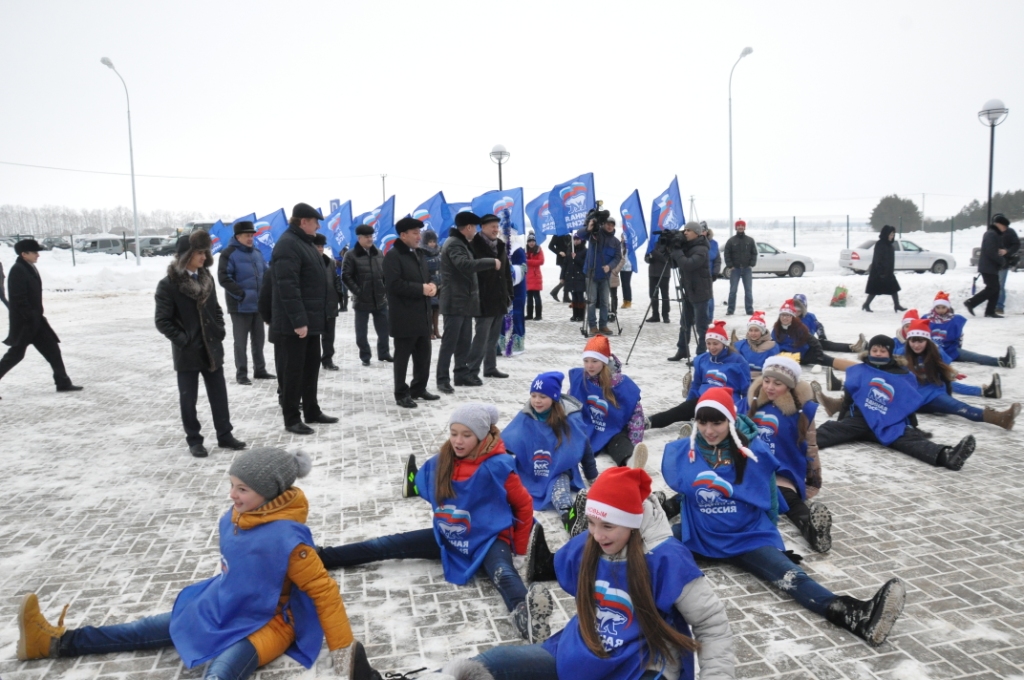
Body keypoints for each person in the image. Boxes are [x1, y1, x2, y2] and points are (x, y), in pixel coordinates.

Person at [15, 447, 376, 679]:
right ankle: (51, 643)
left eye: (242, 489)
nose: (232, 494)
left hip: (266, 624)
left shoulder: (289, 542)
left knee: (219, 674)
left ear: (271, 492)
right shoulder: (234, 517)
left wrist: (345, 653)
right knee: (141, 629)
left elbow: (324, 593)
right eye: (232, 485)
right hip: (220, 605)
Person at [660, 387, 906, 647]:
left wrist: (770, 535)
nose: (709, 430)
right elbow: (686, 490)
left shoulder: (752, 451)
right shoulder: (684, 451)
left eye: (717, 422)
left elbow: (770, 496)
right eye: (703, 422)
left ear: (730, 420)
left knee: (791, 577)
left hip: (746, 535)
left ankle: (855, 615)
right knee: (648, 549)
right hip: (699, 532)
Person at [466, 467, 736, 680]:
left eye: (607, 525)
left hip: (644, 662)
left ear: (632, 524)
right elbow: (558, 566)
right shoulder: (589, 543)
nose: (596, 534)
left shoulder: (666, 558)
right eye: (592, 523)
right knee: (492, 664)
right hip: (583, 649)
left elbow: (711, 625)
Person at [325, 404, 553, 642]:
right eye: (454, 433)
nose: (458, 441)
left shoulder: (499, 466)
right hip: (449, 534)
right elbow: (423, 484)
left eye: (466, 435)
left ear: (482, 436)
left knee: (503, 573)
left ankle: (526, 618)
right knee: (386, 545)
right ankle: (324, 556)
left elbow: (524, 505)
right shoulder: (442, 461)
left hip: (489, 538)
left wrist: (518, 549)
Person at [811, 335, 977, 471]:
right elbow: (849, 396)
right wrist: (842, 419)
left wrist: (913, 426)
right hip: (860, 419)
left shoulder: (902, 374)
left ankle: (946, 456)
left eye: (882, 351)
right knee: (830, 430)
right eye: (874, 350)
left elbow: (906, 402)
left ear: (890, 353)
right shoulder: (859, 370)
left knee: (908, 439)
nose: (877, 353)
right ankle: (796, 445)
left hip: (887, 420)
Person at [155, 232, 245, 457]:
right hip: (188, 352)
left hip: (212, 348)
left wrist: (219, 328)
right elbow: (162, 320)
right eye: (199, 252)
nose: (204, 256)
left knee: (219, 395)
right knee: (188, 399)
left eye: (205, 252)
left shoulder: (207, 279)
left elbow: (215, 308)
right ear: (186, 255)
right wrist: (183, 340)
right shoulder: (168, 284)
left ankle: (225, 435)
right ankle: (194, 440)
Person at [747, 356, 831, 553]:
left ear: (790, 386)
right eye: (766, 381)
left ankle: (814, 532)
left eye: (778, 383)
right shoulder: (752, 404)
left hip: (781, 469)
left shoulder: (801, 412)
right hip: (751, 466)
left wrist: (813, 477)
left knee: (790, 501)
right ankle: (669, 507)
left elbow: (811, 447)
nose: (770, 387)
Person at [502, 371, 599, 533]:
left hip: (558, 470)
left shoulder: (569, 418)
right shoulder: (527, 415)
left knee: (559, 492)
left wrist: (592, 474)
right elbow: (509, 441)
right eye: (533, 395)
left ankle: (570, 518)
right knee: (508, 489)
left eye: (542, 396)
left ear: (553, 397)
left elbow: (584, 445)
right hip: (529, 470)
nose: (537, 401)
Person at [271, 203, 339, 435]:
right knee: (293, 372)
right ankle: (291, 417)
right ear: (303, 222)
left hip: (311, 321)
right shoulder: (288, 245)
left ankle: (311, 410)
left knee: (311, 368)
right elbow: (287, 287)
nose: (318, 226)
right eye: (315, 221)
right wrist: (299, 321)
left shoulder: (304, 243)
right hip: (294, 325)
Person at [900, 319, 1019, 430]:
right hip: (915, 399)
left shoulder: (934, 352)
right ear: (908, 340)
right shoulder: (901, 355)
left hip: (933, 393)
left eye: (920, 341)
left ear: (927, 340)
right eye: (913, 341)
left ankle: (1000, 418)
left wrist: (951, 374)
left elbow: (942, 367)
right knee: (958, 407)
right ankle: (1000, 417)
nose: (916, 345)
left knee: (959, 407)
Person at [0, 238, 83, 398]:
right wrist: (30, 316)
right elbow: (18, 299)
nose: (38, 255)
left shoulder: (28, 267)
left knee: (53, 350)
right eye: (35, 252)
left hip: (36, 321)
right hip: (26, 323)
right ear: (24, 254)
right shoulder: (18, 270)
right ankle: (63, 382)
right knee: (15, 355)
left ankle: (63, 383)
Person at [646, 321, 751, 433]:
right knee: (677, 412)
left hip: (724, 403)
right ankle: (648, 422)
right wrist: (688, 404)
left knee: (710, 419)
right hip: (702, 399)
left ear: (724, 343)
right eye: (708, 343)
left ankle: (692, 429)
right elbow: (696, 384)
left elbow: (746, 392)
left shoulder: (738, 362)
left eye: (715, 344)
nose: (712, 347)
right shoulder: (702, 359)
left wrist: (741, 413)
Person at [436, 212, 499, 393]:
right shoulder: (454, 244)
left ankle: (461, 374)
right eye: (476, 227)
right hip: (454, 302)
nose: (477, 231)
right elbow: (464, 265)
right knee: (450, 342)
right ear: (469, 227)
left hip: (464, 302)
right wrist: (490, 262)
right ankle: (442, 379)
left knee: (463, 342)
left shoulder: (461, 243)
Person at [384, 217, 439, 408]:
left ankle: (418, 388)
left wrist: (432, 285)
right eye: (415, 233)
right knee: (402, 358)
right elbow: (393, 285)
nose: (419, 236)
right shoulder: (393, 256)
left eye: (419, 232)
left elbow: (428, 277)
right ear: (403, 235)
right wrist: (420, 289)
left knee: (423, 355)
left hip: (422, 315)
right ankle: (401, 393)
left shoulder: (419, 254)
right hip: (404, 317)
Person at [890, 309, 1002, 399]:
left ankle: (985, 390)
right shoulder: (895, 343)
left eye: (912, 326)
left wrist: (950, 372)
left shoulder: (928, 343)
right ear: (902, 327)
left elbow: (940, 360)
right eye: (906, 326)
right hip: (909, 380)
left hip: (928, 373)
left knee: (944, 381)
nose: (909, 329)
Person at [568, 335, 644, 466]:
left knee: (618, 442)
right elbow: (569, 404)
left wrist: (634, 440)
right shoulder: (581, 378)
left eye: (594, 361)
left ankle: (631, 460)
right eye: (586, 361)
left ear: (604, 362)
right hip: (589, 426)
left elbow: (636, 414)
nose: (589, 366)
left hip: (613, 427)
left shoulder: (619, 383)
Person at [217, 220, 273, 385]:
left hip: (258, 306)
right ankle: (241, 373)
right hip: (240, 306)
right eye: (247, 235)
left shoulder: (257, 253)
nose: (250, 238)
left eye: (252, 235)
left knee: (259, 340)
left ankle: (260, 369)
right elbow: (224, 278)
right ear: (237, 236)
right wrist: (240, 295)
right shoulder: (228, 254)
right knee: (240, 343)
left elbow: (266, 273)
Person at [469, 214, 514, 379]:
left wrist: (510, 293)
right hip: (483, 298)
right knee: (481, 337)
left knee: (493, 337)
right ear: (483, 228)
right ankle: (472, 370)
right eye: (492, 227)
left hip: (500, 297)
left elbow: (506, 272)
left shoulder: (501, 245)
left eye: (497, 226)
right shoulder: (474, 246)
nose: (496, 230)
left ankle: (490, 367)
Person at [342, 224, 392, 368]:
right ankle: (365, 356)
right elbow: (346, 276)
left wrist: (384, 289)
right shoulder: (351, 255)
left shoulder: (379, 253)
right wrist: (359, 292)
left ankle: (384, 353)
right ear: (359, 238)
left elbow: (384, 274)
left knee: (384, 330)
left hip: (379, 298)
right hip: (362, 300)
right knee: (361, 333)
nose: (370, 239)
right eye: (366, 237)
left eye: (371, 236)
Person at [924, 291, 1015, 368]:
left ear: (948, 307)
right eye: (938, 307)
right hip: (932, 352)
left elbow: (959, 337)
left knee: (975, 357)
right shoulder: (926, 319)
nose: (941, 310)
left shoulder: (954, 319)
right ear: (934, 307)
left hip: (951, 350)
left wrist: (956, 348)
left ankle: (1003, 361)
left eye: (943, 307)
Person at [668, 222, 712, 361]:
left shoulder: (701, 249)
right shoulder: (687, 246)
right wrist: (671, 249)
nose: (685, 232)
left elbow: (688, 265)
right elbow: (675, 264)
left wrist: (678, 252)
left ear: (697, 233)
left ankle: (701, 354)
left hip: (700, 291)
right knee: (685, 324)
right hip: (688, 290)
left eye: (689, 230)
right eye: (684, 230)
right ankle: (682, 350)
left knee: (701, 326)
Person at [771, 300, 857, 370]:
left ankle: (859, 368)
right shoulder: (776, 329)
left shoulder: (800, 328)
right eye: (782, 315)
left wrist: (819, 360)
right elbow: (772, 346)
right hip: (790, 358)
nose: (785, 318)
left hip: (807, 354)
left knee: (831, 361)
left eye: (788, 315)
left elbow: (815, 343)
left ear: (792, 317)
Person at [965, 214, 1011, 318]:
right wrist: (1001, 261)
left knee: (995, 288)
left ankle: (990, 311)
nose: (1005, 229)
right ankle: (971, 303)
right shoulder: (991, 234)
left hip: (990, 266)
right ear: (999, 224)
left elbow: (995, 250)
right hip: (988, 266)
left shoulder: (994, 234)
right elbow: (990, 251)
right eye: (1004, 227)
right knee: (992, 288)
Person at [584, 213, 621, 336]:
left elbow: (617, 257)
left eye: (612, 225)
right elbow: (581, 234)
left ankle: (603, 325)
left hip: (605, 276)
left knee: (605, 301)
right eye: (608, 224)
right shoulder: (595, 235)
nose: (610, 226)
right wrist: (590, 226)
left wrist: (609, 266)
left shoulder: (616, 242)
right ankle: (592, 326)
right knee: (592, 301)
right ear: (603, 225)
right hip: (591, 274)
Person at [791, 293, 865, 353]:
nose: (797, 311)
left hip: (809, 341)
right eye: (795, 308)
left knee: (828, 344)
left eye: (799, 308)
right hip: (794, 344)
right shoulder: (789, 317)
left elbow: (818, 325)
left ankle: (852, 347)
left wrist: (821, 335)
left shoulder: (810, 316)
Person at [313, 233, 343, 371]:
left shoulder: (330, 262)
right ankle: (312, 361)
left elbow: (336, 279)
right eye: (317, 246)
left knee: (329, 335)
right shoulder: (308, 262)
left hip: (330, 304)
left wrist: (339, 294)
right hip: (314, 306)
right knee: (313, 336)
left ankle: (327, 359)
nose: (319, 249)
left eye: (321, 246)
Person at [862, 225, 905, 312]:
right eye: (891, 234)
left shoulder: (890, 245)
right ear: (886, 234)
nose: (892, 236)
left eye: (893, 234)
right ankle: (866, 304)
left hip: (888, 272)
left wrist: (889, 271)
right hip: (879, 273)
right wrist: (881, 272)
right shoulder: (880, 244)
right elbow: (877, 259)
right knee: (874, 290)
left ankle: (897, 305)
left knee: (894, 289)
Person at [723, 219, 757, 316]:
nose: (740, 227)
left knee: (748, 291)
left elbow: (754, 253)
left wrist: (751, 264)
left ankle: (749, 310)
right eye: (739, 225)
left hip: (747, 269)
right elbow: (727, 254)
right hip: (735, 270)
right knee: (733, 291)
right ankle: (730, 310)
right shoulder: (731, 241)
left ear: (744, 227)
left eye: (742, 225)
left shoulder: (750, 240)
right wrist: (730, 265)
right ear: (736, 227)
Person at [420, 229, 443, 339]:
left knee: (436, 308)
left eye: (434, 241)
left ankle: (436, 330)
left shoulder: (439, 253)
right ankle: (429, 331)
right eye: (430, 242)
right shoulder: (422, 254)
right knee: (428, 309)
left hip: (439, 283)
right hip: (428, 283)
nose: (432, 244)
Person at [644, 241, 672, 324]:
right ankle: (655, 315)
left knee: (665, 295)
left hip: (664, 273)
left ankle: (665, 315)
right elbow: (646, 257)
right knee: (653, 294)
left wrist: (653, 252)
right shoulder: (652, 243)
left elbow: (666, 259)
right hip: (653, 273)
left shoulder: (668, 244)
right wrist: (649, 259)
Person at [996, 214, 1019, 315]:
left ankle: (999, 306)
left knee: (1000, 285)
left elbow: (1017, 244)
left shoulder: (1010, 232)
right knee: (993, 285)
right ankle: (993, 304)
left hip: (1003, 263)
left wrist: (1007, 251)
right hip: (992, 262)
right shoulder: (993, 232)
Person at [567, 230, 588, 322]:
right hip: (572, 276)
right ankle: (575, 314)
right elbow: (566, 264)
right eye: (574, 239)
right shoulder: (571, 250)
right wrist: (563, 275)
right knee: (574, 296)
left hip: (580, 277)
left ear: (582, 240)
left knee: (580, 296)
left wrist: (576, 257)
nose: (576, 241)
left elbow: (585, 264)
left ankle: (581, 315)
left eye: (578, 239)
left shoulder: (585, 251)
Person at [547, 232, 572, 303]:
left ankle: (563, 295)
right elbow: (550, 246)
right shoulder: (557, 235)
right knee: (566, 276)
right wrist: (559, 252)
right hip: (562, 259)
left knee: (567, 277)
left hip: (569, 258)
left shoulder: (569, 235)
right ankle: (559, 294)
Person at [525, 232, 544, 321]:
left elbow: (541, 261)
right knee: (529, 298)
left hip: (536, 277)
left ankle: (538, 315)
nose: (531, 243)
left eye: (533, 241)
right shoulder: (525, 251)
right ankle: (529, 314)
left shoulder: (539, 250)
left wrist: (528, 261)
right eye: (530, 241)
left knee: (536, 297)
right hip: (527, 277)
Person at [706, 226, 722, 318]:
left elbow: (717, 260)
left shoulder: (714, 244)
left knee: (709, 298)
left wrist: (715, 272)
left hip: (709, 275)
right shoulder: (694, 243)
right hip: (696, 275)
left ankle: (709, 318)